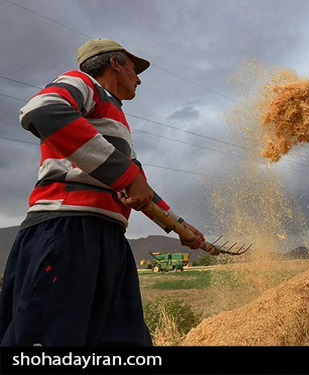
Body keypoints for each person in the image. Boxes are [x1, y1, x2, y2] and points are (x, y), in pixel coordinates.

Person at [0, 38, 206, 346]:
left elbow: (138, 187)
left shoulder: (117, 119)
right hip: (67, 231)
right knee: (49, 343)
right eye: (134, 69)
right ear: (115, 63)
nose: (138, 79)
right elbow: (41, 110)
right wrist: (126, 174)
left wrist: (176, 223)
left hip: (108, 238)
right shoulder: (82, 83)